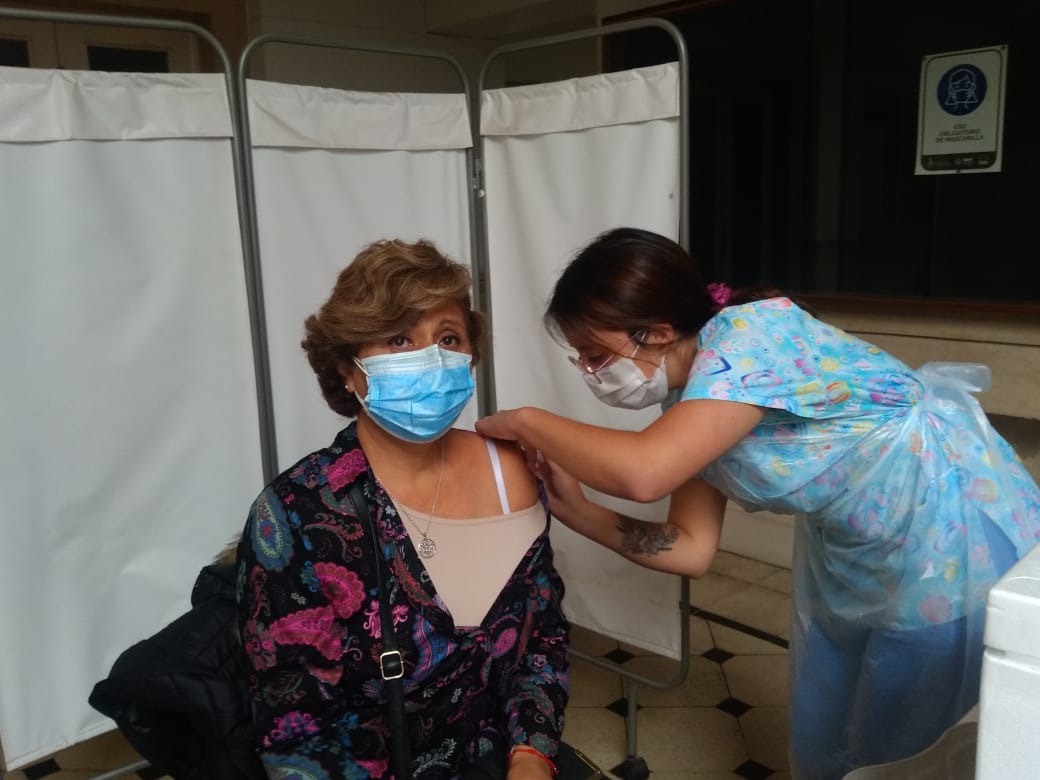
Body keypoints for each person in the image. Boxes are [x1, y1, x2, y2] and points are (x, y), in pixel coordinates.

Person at [474, 226, 1040, 779]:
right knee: (838, 719)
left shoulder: (750, 337)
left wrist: (527, 420)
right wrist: (578, 512)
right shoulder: (690, 404)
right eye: (581, 359)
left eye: (596, 356)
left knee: (908, 734)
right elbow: (689, 548)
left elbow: (644, 472)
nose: (591, 374)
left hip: (947, 532)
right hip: (861, 547)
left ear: (658, 332)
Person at [236, 239, 569, 780]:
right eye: (399, 339)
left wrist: (531, 757)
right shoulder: (296, 513)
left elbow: (543, 638)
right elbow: (296, 728)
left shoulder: (512, 472)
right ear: (347, 370)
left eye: (448, 338)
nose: (431, 359)